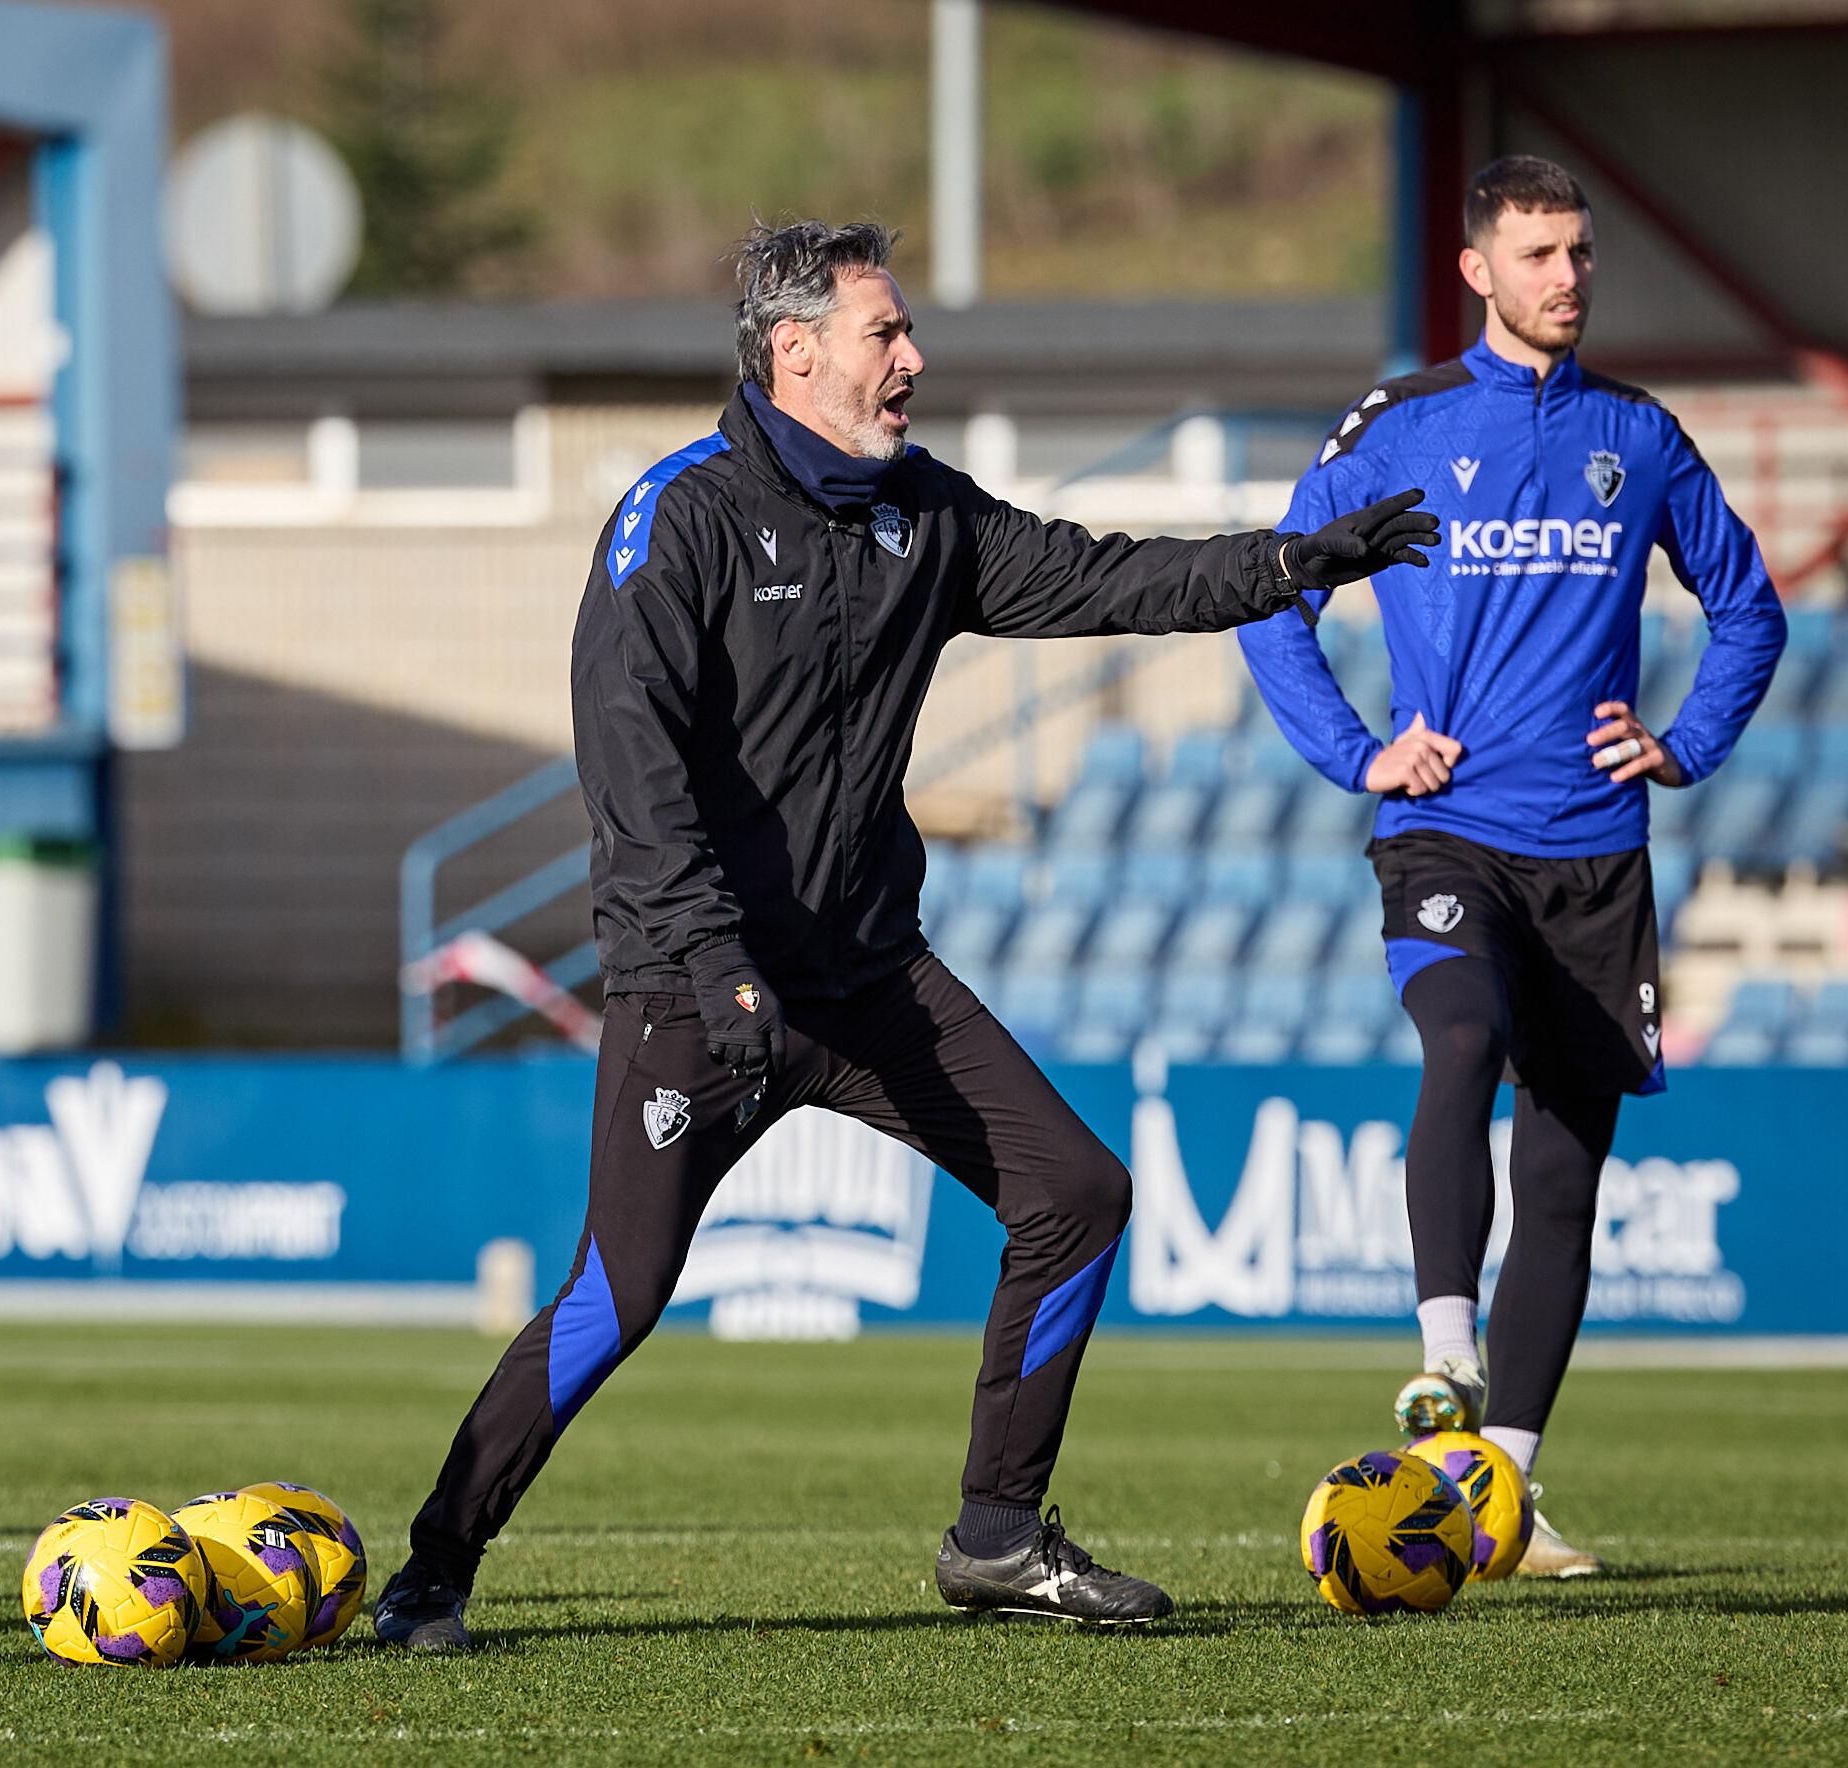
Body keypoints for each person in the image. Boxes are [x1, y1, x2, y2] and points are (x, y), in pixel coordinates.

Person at [368, 219, 1439, 1651]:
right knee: (617, 1297)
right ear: (793, 352)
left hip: (871, 978)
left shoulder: (922, 511)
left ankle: (997, 1536)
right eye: (887, 334)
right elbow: (636, 783)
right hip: (698, 991)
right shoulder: (675, 520)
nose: (914, 357)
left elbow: (1109, 578)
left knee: (1078, 1195)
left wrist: (1296, 562)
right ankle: (434, 1567)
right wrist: (714, 963)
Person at [1238, 156, 1785, 1577]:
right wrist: (1361, 753)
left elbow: (1748, 607)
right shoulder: (1407, 426)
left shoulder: (1637, 435)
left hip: (1597, 851)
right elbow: (1269, 597)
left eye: (1583, 254)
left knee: (1564, 1175)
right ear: (1477, 268)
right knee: (1461, 1031)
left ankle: (1503, 1494)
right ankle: (1441, 1361)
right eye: (1540, 254)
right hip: (1449, 829)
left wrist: (1686, 743)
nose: (1569, 278)